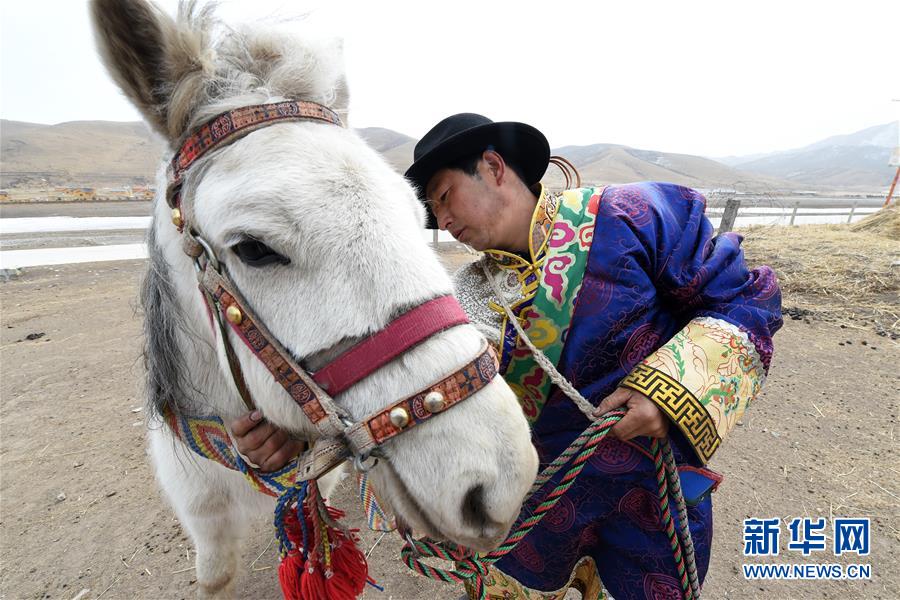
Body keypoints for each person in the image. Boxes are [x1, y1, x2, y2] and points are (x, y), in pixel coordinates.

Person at [232, 113, 783, 600]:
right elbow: (417, 394)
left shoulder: (638, 214)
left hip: (650, 500)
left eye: (444, 196)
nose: (443, 221)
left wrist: (670, 393)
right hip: (536, 514)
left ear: (493, 167)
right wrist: (303, 438)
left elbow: (744, 299)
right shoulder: (465, 297)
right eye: (432, 211)